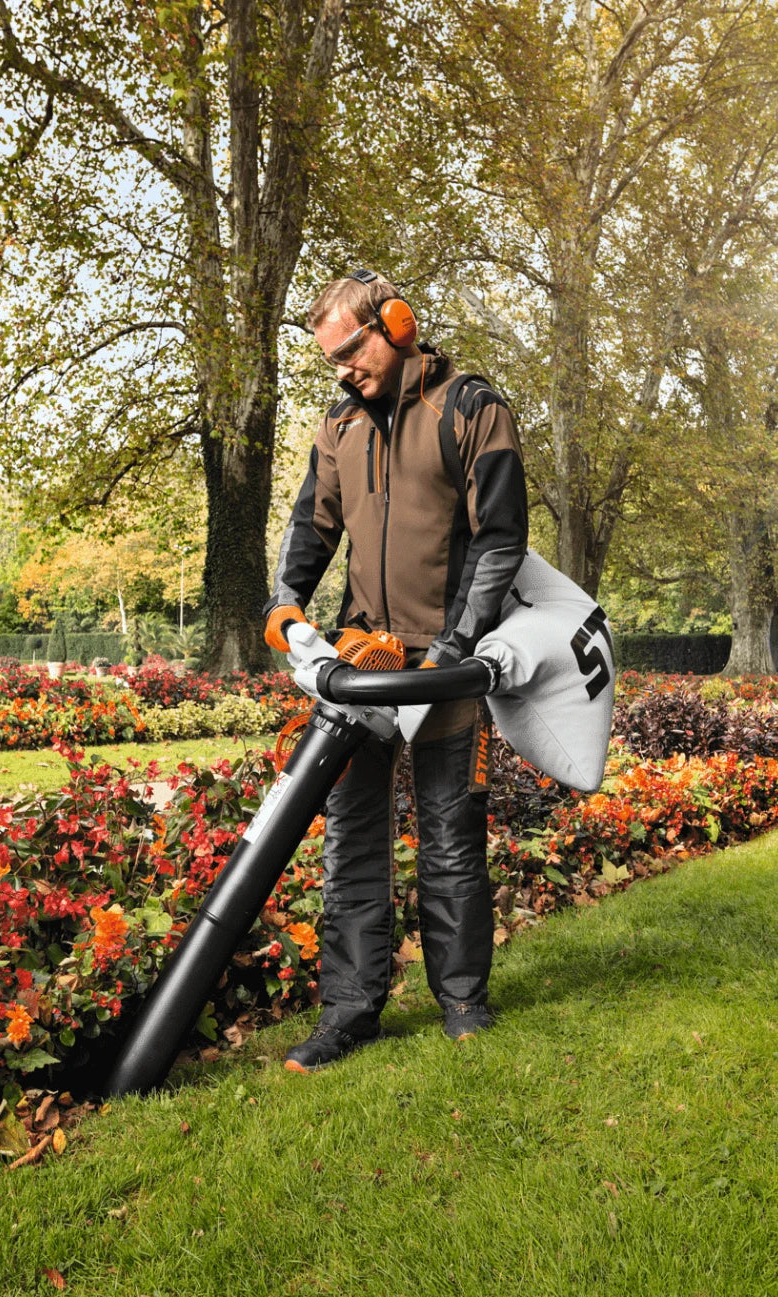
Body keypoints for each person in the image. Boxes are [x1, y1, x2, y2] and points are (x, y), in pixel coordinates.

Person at [264, 270, 529, 1072]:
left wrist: (457, 646)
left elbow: (500, 537)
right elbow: (313, 524)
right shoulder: (338, 423)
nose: (342, 367)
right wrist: (285, 603)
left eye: (350, 349)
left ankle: (462, 1002)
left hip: (443, 660)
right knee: (351, 838)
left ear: (398, 324)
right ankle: (349, 1010)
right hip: (360, 658)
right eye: (329, 359)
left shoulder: (470, 407)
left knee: (450, 831)